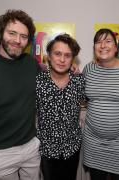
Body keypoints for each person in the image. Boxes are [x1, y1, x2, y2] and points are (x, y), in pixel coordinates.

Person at [82, 28, 119, 180]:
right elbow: (82, 95)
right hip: (94, 143)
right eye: (98, 42)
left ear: (116, 47)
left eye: (107, 41)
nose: (103, 45)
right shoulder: (89, 69)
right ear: (94, 48)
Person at [0, 9, 41, 179]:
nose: (17, 40)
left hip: (31, 147)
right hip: (1, 154)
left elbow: (50, 77)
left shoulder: (30, 62)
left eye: (23, 36)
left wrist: (69, 69)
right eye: (12, 33)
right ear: (1, 33)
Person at [36, 34, 85, 180]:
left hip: (72, 147)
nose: (62, 60)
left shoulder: (79, 80)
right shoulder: (38, 81)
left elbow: (89, 101)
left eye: (68, 55)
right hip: (47, 149)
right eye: (57, 54)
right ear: (49, 56)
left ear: (72, 59)